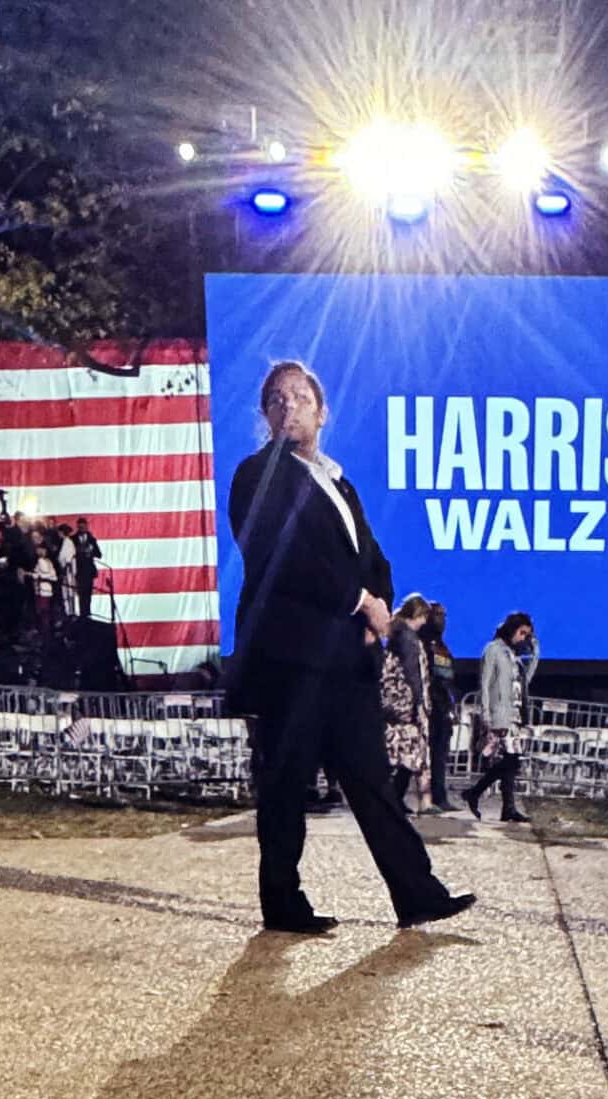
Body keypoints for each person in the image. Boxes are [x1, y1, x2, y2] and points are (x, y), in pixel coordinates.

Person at [226, 359, 474, 936]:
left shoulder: (339, 482)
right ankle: (282, 905)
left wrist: (378, 610)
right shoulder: (255, 475)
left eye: (299, 397)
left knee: (371, 780)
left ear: (321, 409)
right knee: (286, 784)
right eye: (276, 400)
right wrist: (358, 600)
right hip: (292, 660)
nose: (288, 407)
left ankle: (418, 894)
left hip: (345, 661)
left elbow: (375, 561)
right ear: (266, 415)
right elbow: (279, 557)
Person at [464, 611, 538, 822]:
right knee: (511, 760)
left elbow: (525, 681)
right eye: (522, 633)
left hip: (515, 714)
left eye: (527, 634)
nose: (523, 638)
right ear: (512, 629)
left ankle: (502, 806)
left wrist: (534, 653)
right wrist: (486, 713)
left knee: (511, 762)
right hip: (499, 714)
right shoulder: (493, 650)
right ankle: (482, 796)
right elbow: (485, 684)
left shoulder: (514, 655)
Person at [381, 593, 432, 810]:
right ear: (418, 614)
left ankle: (395, 799)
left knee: (405, 755)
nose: (425, 623)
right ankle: (393, 799)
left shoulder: (396, 634)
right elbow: (413, 673)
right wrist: (419, 701)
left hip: (397, 705)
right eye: (423, 617)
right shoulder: (408, 638)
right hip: (406, 705)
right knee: (411, 754)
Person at [422, 600, 457, 812]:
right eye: (438, 615)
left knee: (439, 756)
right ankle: (396, 794)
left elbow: (448, 677)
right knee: (417, 757)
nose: (442, 620)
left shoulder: (441, 646)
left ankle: (439, 796)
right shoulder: (423, 645)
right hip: (429, 707)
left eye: (444, 615)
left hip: (442, 707)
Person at [73, 518, 101, 620]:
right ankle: (82, 616)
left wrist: (90, 550)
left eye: (84, 526)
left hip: (89, 571)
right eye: (80, 527)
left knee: (88, 594)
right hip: (79, 571)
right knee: (81, 594)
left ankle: (88, 615)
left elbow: (99, 554)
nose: (82, 528)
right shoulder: (73, 539)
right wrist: (79, 551)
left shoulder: (91, 539)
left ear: (87, 526)